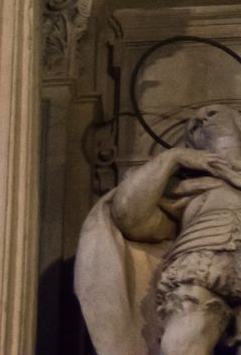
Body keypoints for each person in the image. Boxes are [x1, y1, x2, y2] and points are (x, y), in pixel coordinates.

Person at [77, 105, 241, 355]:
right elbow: (129, 217)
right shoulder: (187, 188)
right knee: (180, 345)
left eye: (215, 114)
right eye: (196, 125)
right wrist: (172, 158)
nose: (204, 119)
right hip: (205, 263)